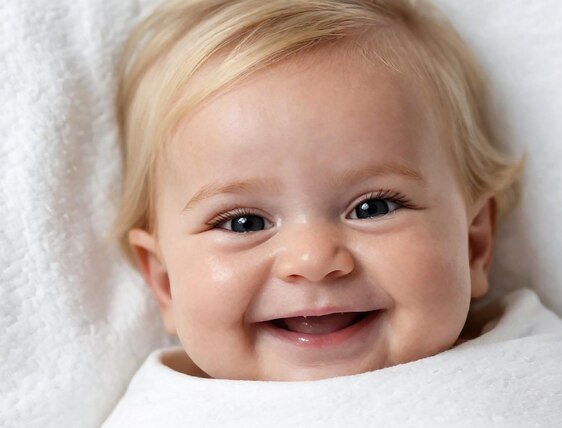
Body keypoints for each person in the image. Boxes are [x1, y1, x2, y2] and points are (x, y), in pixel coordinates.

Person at [112, 0, 523, 382]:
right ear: (165, 283)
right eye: (244, 222)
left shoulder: (530, 371)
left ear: (473, 245)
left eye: (372, 208)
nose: (312, 260)